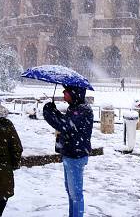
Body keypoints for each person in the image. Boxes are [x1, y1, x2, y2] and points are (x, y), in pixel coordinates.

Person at [43, 85, 93, 217]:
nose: (63, 92)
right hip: (69, 154)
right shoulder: (75, 108)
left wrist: (49, 114)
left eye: (66, 91)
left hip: (75, 157)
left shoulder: (83, 110)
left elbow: (65, 125)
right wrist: (54, 112)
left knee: (75, 194)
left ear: (74, 93)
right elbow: (66, 123)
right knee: (71, 192)